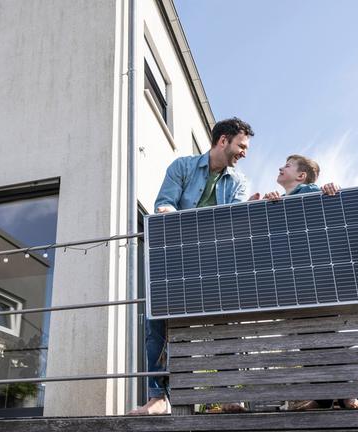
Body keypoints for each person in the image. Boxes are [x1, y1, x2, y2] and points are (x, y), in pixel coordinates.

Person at [128, 117, 254, 415]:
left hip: (216, 263)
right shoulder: (182, 167)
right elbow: (165, 204)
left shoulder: (239, 182)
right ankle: (159, 398)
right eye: (241, 146)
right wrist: (169, 212)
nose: (244, 153)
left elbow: (232, 221)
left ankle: (225, 395)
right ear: (223, 140)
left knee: (226, 325)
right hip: (176, 261)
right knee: (156, 325)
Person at [259, 154, 358, 411]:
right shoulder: (283, 199)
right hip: (297, 281)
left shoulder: (309, 191)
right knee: (307, 343)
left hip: (317, 280)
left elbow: (328, 210)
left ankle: (346, 394)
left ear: (301, 176)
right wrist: (270, 201)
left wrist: (330, 190)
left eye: (286, 165)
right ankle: (324, 397)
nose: (279, 167)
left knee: (329, 339)